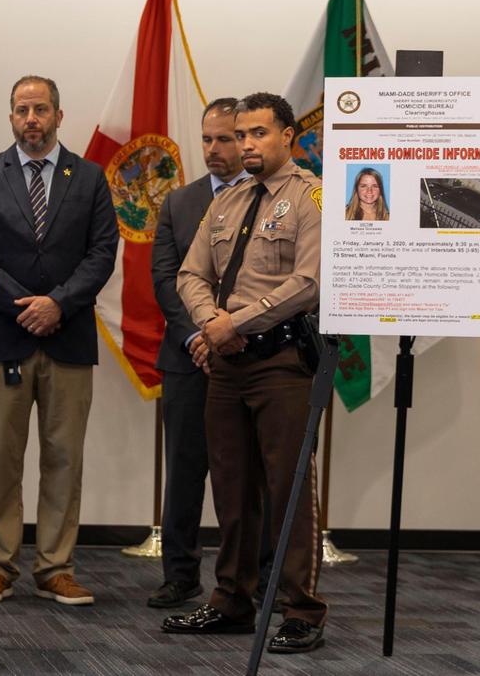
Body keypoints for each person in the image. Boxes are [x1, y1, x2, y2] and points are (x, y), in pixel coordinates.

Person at [164, 92, 327, 654]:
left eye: (259, 133)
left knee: (288, 489)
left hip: (281, 362)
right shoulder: (228, 201)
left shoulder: (311, 197)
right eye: (241, 135)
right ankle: (232, 599)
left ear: (288, 136)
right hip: (227, 366)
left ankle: (301, 610)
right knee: (231, 490)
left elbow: (308, 283)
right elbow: (191, 272)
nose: (247, 144)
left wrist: (237, 322)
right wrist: (212, 322)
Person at [0, 75, 117, 606]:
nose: (32, 118)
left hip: (69, 336)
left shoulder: (91, 177)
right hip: (3, 335)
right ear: (10, 117)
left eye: (41, 109)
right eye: (23, 110)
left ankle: (56, 567)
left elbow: (102, 253)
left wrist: (59, 304)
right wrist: (25, 306)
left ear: (58, 115)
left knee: (64, 456)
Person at [147, 97, 248, 610]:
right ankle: (180, 575)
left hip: (249, 354)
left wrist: (230, 333)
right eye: (207, 139)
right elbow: (165, 278)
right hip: (188, 357)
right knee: (184, 473)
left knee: (245, 473)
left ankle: (251, 575)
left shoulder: (268, 198)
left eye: (226, 139)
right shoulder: (180, 202)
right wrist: (198, 335)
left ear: (246, 140)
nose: (214, 148)